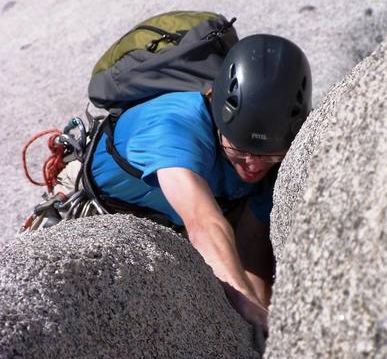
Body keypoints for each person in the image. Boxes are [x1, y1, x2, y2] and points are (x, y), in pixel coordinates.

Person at [90, 34, 312, 333]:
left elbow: (250, 241)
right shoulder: (172, 127)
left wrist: (263, 318)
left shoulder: (278, 160)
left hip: (193, 218)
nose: (254, 164)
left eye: (270, 155)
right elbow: (203, 223)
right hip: (102, 210)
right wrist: (246, 302)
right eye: (241, 150)